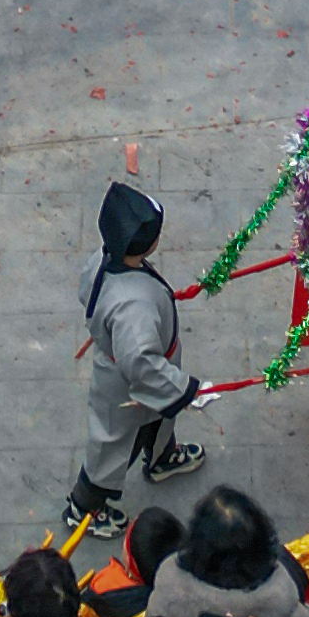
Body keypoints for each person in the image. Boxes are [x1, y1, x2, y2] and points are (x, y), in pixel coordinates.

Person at [65, 180, 203, 533]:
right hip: (129, 390)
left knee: (158, 421)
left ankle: (162, 457)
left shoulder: (103, 258)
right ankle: (83, 508)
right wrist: (182, 388)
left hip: (134, 376)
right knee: (113, 447)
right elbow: (141, 363)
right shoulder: (133, 305)